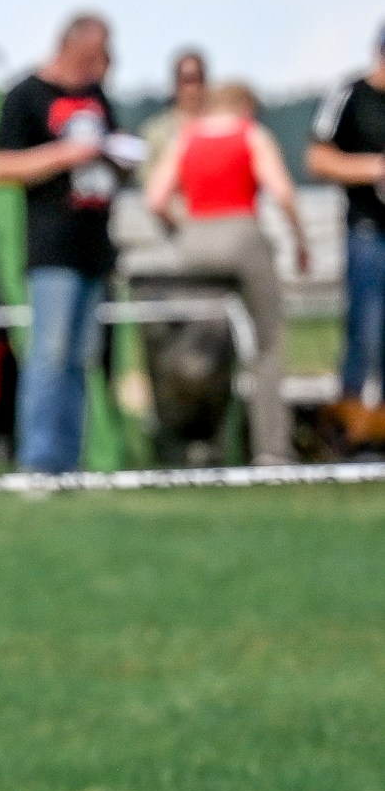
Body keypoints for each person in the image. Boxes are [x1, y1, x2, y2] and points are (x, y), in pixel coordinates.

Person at [0, 14, 134, 473]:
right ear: (74, 49)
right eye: (98, 55)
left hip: (94, 245)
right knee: (48, 354)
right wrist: (65, 154)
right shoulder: (26, 95)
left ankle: (70, 461)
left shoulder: (97, 98)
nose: (105, 65)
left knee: (80, 359)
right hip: (52, 247)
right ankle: (38, 462)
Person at [146, 82, 309, 464]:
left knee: (201, 349)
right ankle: (271, 448)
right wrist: (300, 241)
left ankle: (201, 444)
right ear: (246, 106)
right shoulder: (251, 134)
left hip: (194, 239)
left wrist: (183, 228)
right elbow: (282, 191)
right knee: (268, 343)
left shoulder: (185, 139)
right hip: (242, 232)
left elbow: (155, 198)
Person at [307, 25, 385, 408]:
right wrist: (373, 168)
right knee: (364, 329)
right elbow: (317, 158)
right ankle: (349, 428)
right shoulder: (351, 94)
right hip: (368, 230)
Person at [138, 47, 208, 196]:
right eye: (187, 80)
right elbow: (148, 179)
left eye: (198, 79)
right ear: (176, 83)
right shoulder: (156, 131)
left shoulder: (219, 127)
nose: (193, 88)